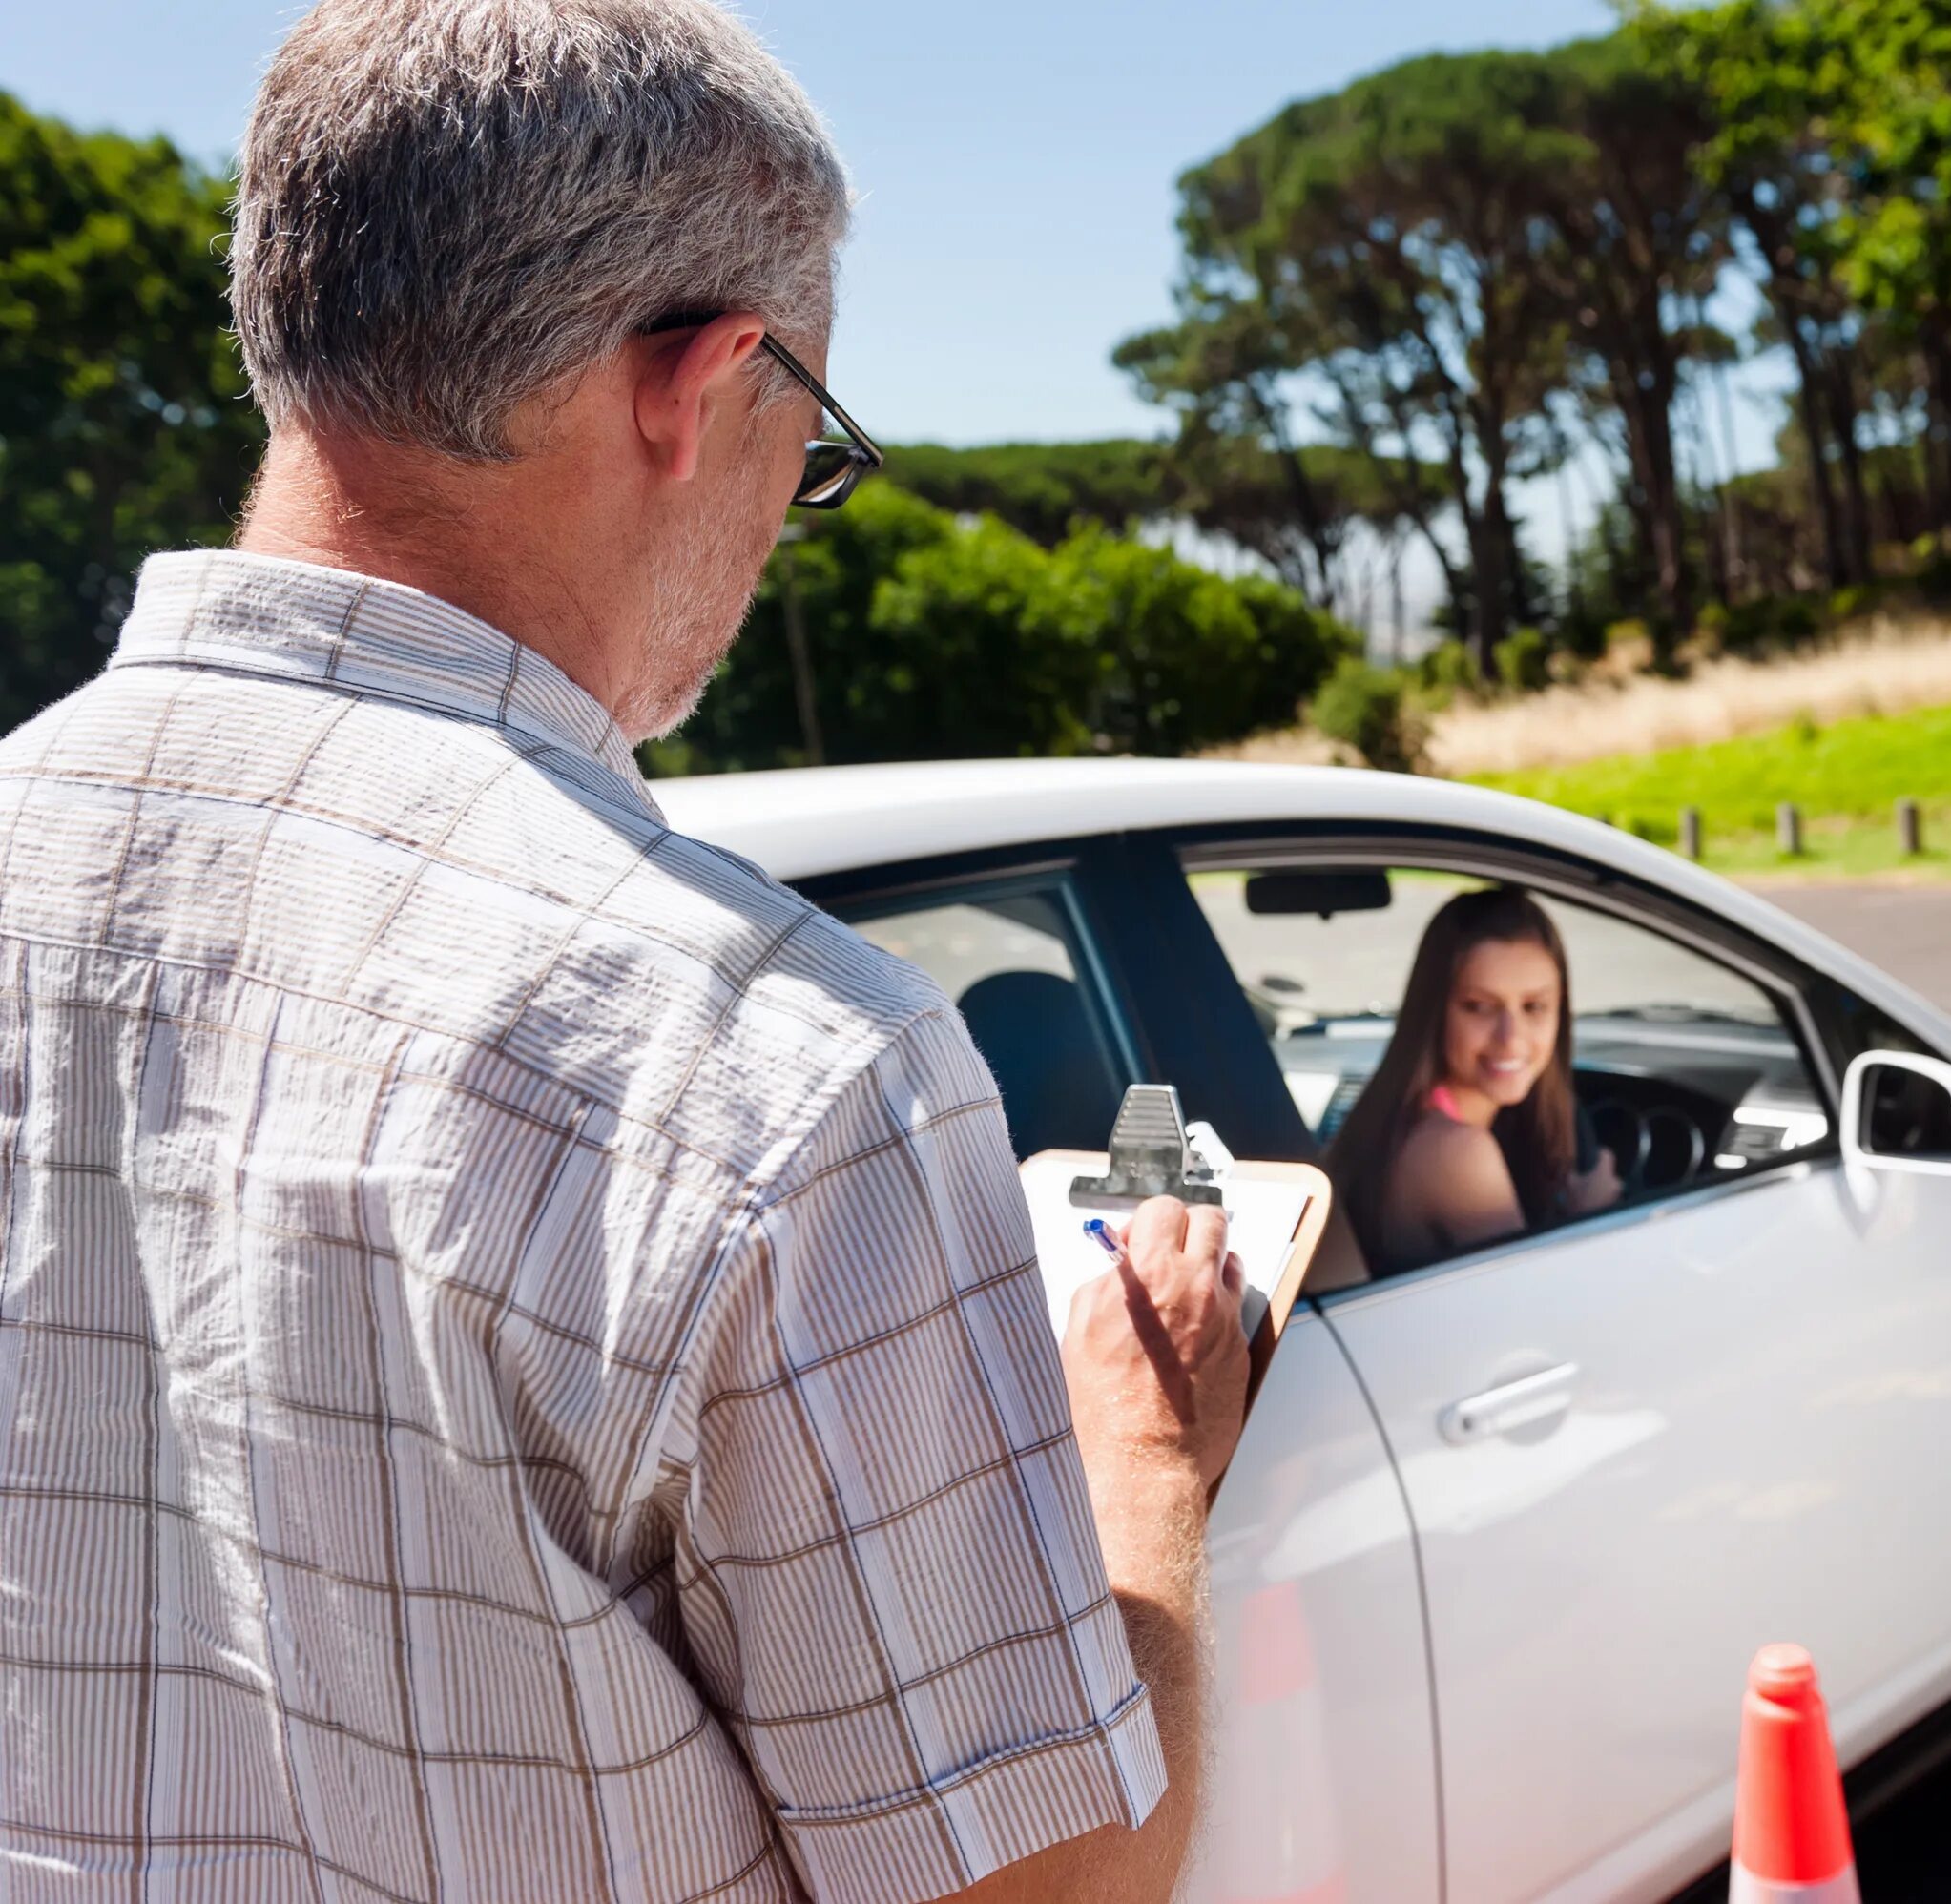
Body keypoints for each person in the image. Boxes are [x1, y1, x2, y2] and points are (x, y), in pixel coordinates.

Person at [0, 4, 1246, 1900]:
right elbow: (1047, 1888)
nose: (783, 512)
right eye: (808, 439)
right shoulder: (773, 1061)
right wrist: (1145, 1468)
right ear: (696, 381)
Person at [1325, 887, 1624, 1276]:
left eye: (1534, 1007)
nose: (1511, 1037)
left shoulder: (1405, 1116)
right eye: (1480, 1007)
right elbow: (1535, 1306)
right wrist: (1594, 1214)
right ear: (1435, 1012)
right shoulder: (1458, 1152)